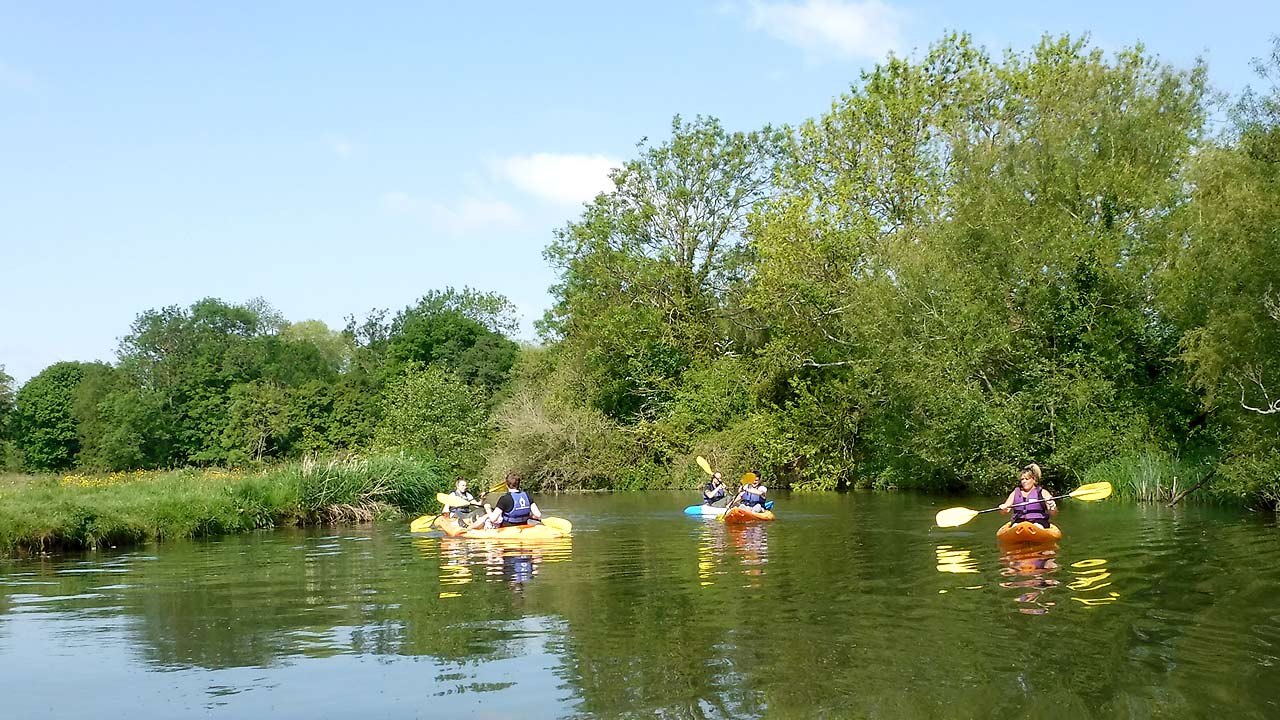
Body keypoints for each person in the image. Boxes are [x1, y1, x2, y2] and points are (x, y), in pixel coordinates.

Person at [999, 463, 1057, 528]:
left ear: (1034, 480)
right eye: (1022, 479)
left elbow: (1053, 513)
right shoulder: (1015, 492)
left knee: (1037, 526)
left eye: (1027, 479)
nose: (1024, 481)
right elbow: (1005, 511)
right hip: (1019, 522)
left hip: (1039, 522)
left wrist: (1052, 507)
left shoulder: (1042, 492)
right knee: (1015, 526)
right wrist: (1003, 508)